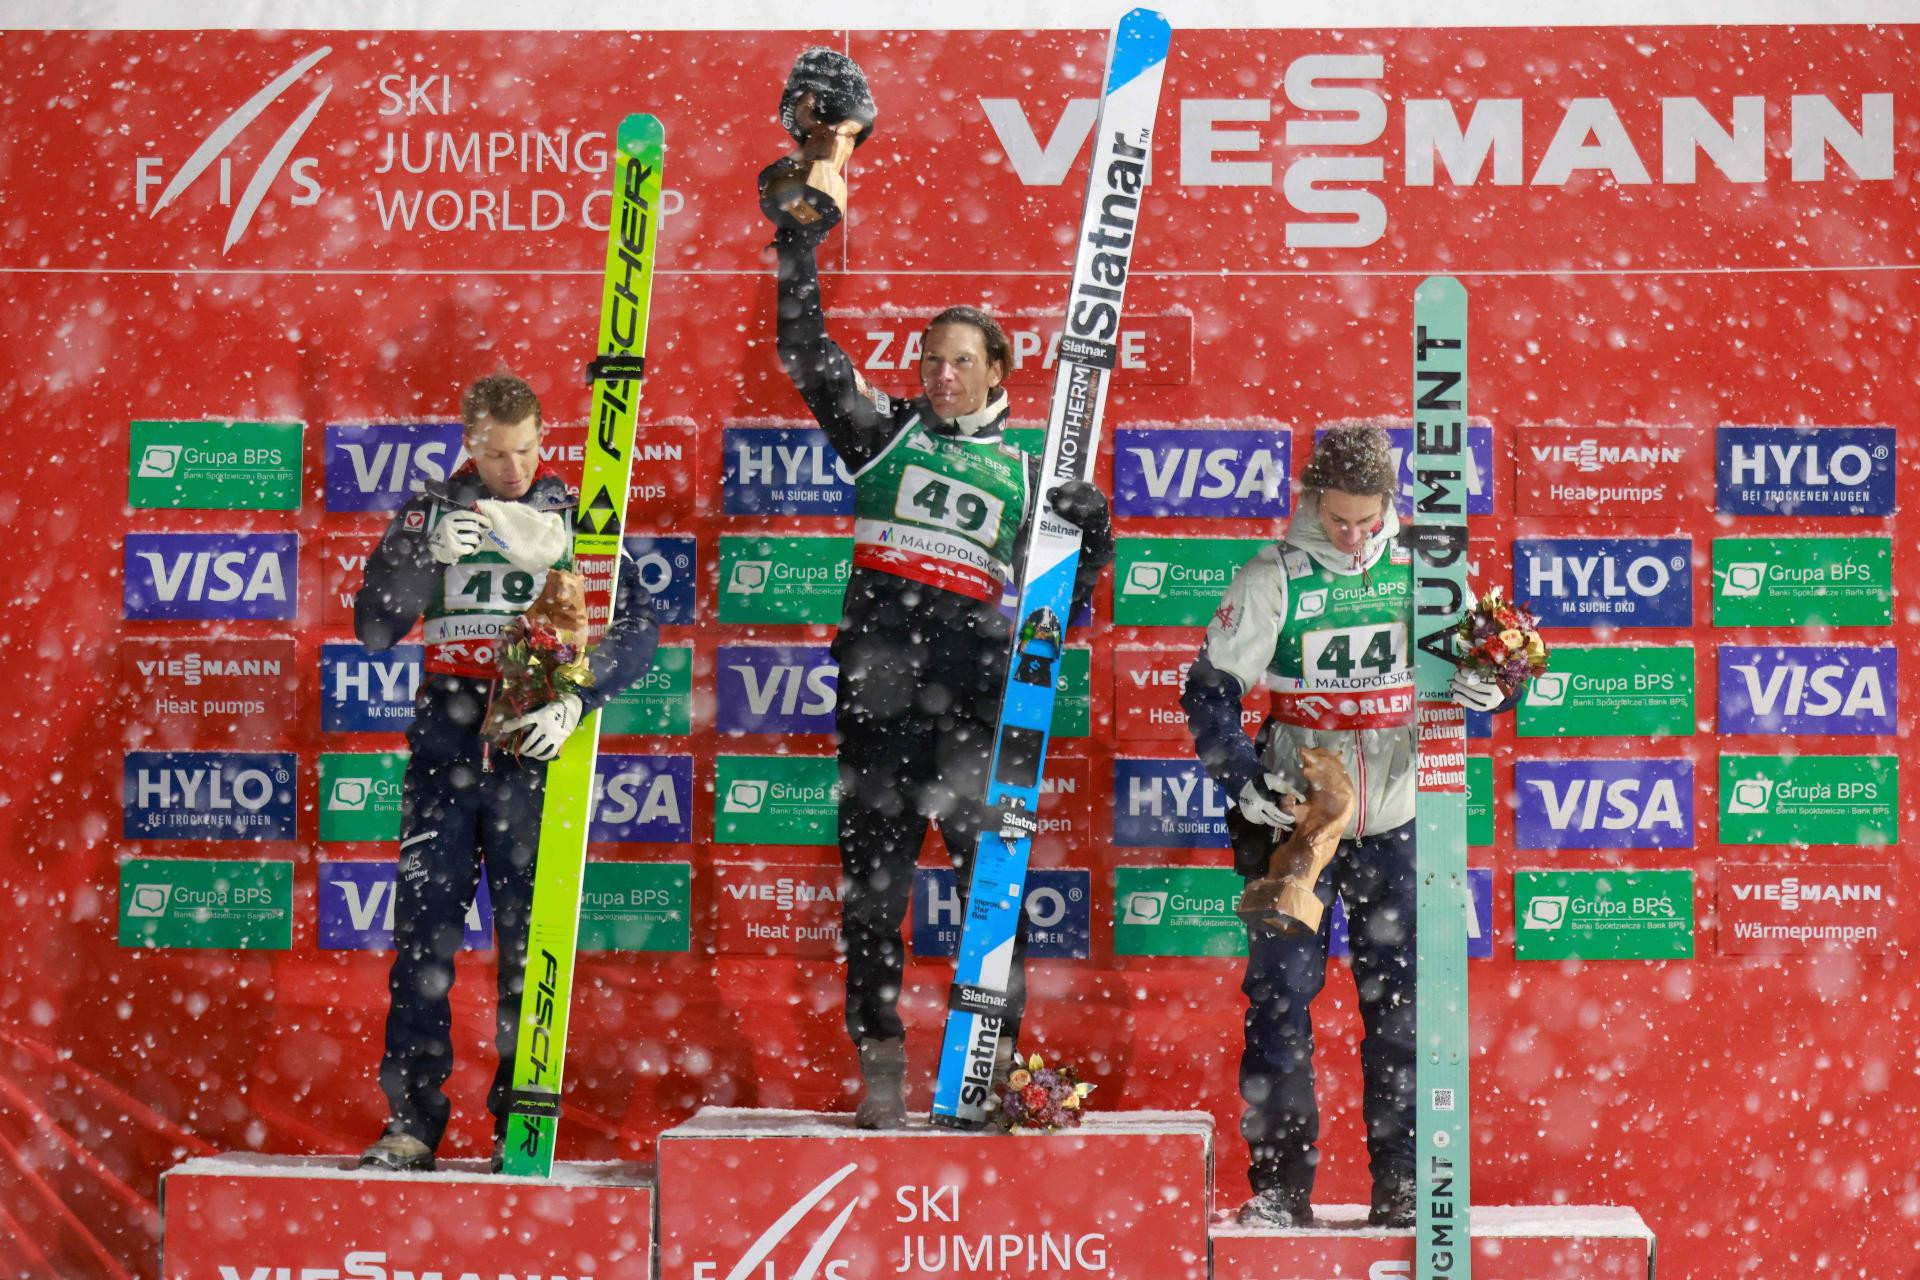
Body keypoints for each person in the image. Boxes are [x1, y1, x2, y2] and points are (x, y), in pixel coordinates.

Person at [771, 189, 1115, 1129]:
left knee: (990, 902)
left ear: (999, 369)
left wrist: (1094, 538)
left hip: (975, 719)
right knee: (872, 907)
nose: (943, 375)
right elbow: (806, 353)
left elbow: (1063, 614)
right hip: (880, 715)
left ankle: (993, 1073)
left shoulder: (1031, 475)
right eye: (931, 360)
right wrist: (797, 247)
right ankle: (881, 1070)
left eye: (961, 361)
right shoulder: (884, 430)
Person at [1180, 423, 1511, 1227]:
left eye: (1368, 519)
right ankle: (1280, 1189)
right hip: (1298, 824)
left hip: (1398, 818)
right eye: (1337, 519)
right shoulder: (1273, 575)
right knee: (1279, 1005)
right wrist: (1244, 779)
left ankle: (1401, 1185)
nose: (1354, 536)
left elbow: (1497, 659)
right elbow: (1209, 693)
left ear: (1391, 502)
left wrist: (1497, 690)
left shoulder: (1427, 568)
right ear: (1310, 501)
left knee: (1399, 1010)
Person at [354, 372, 658, 1171]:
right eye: (495, 454)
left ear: (542, 439)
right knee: (422, 949)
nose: (513, 469)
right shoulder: (430, 511)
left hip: (535, 758)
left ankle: (520, 1129)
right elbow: (374, 628)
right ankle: (411, 1125)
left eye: (524, 450)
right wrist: (423, 560)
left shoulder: (577, 515)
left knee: (532, 951)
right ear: (468, 445)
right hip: (446, 757)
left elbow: (638, 628)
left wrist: (579, 700)